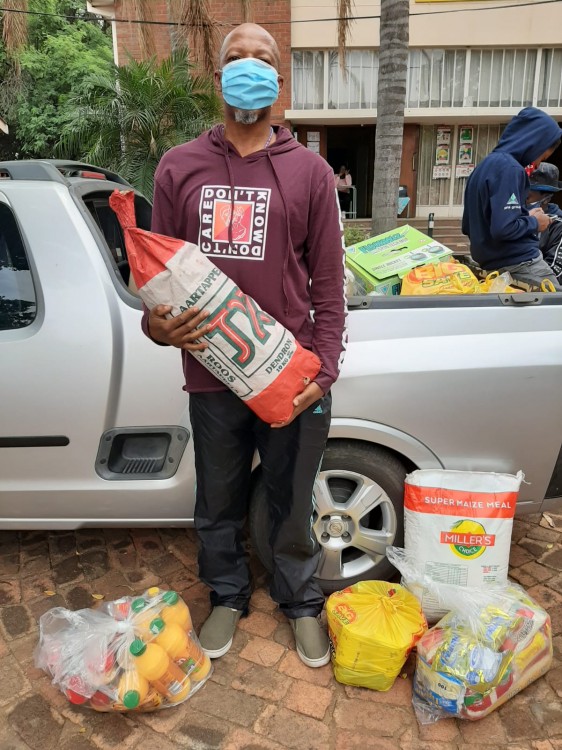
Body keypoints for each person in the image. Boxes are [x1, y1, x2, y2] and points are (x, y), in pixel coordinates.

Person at [142, 23, 347, 668]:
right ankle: (227, 594)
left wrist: (326, 368)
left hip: (289, 373)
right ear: (219, 76)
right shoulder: (179, 167)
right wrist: (155, 327)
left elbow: (328, 283)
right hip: (212, 372)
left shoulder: (310, 172)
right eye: (237, 57)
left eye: (262, 58)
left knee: (292, 496)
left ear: (278, 80)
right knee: (218, 497)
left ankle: (301, 601)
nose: (249, 66)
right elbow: (158, 277)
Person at [462, 107, 562, 290]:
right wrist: (535, 222)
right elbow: (504, 229)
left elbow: (468, 225)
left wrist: (524, 216)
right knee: (555, 305)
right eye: (541, 156)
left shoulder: (483, 167)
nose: (537, 164)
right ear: (533, 143)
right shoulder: (510, 169)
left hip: (490, 266)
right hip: (521, 265)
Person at [526, 162, 562, 286]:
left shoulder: (558, 227)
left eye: (527, 197)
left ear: (546, 198)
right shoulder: (517, 221)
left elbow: (555, 274)